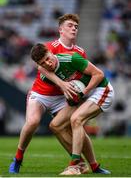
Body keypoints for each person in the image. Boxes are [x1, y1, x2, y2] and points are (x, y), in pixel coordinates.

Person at [9, 14, 108, 174]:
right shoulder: (51, 46)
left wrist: (81, 92)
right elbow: (40, 67)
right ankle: (18, 158)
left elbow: (84, 74)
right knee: (33, 121)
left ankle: (92, 165)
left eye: (76, 26)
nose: (74, 28)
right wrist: (62, 84)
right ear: (60, 30)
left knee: (76, 126)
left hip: (63, 97)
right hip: (41, 93)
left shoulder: (79, 52)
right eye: (70, 25)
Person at [30, 43, 114, 175]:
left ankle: (74, 166)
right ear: (39, 65)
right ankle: (89, 165)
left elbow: (99, 74)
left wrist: (84, 92)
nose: (48, 63)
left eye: (47, 58)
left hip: (101, 90)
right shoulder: (46, 76)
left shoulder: (71, 59)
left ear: (50, 52)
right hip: (82, 97)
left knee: (76, 119)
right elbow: (67, 92)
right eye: (43, 63)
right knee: (55, 125)